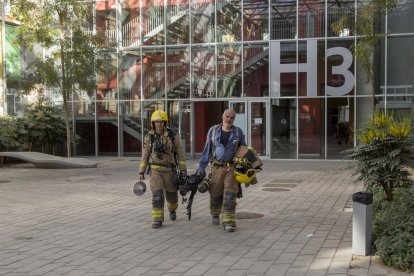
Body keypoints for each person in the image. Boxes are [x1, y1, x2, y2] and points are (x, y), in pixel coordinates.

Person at [197, 108, 247, 232]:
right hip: (216, 167)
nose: (229, 119)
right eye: (227, 117)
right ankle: (215, 213)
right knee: (215, 193)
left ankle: (229, 221)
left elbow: (243, 149)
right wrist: (201, 168)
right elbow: (206, 149)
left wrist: (245, 165)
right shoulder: (213, 131)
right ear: (223, 117)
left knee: (230, 193)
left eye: (232, 118)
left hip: (231, 168)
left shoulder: (238, 132)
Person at [139, 110, 187, 229]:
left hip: (169, 170)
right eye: (156, 122)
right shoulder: (149, 137)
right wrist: (141, 171)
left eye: (161, 122)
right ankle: (157, 219)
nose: (159, 124)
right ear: (153, 123)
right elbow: (145, 155)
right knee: (157, 194)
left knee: (171, 196)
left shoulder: (173, 135)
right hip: (155, 170)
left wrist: (183, 170)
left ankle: (172, 209)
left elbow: (180, 154)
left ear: (165, 123)